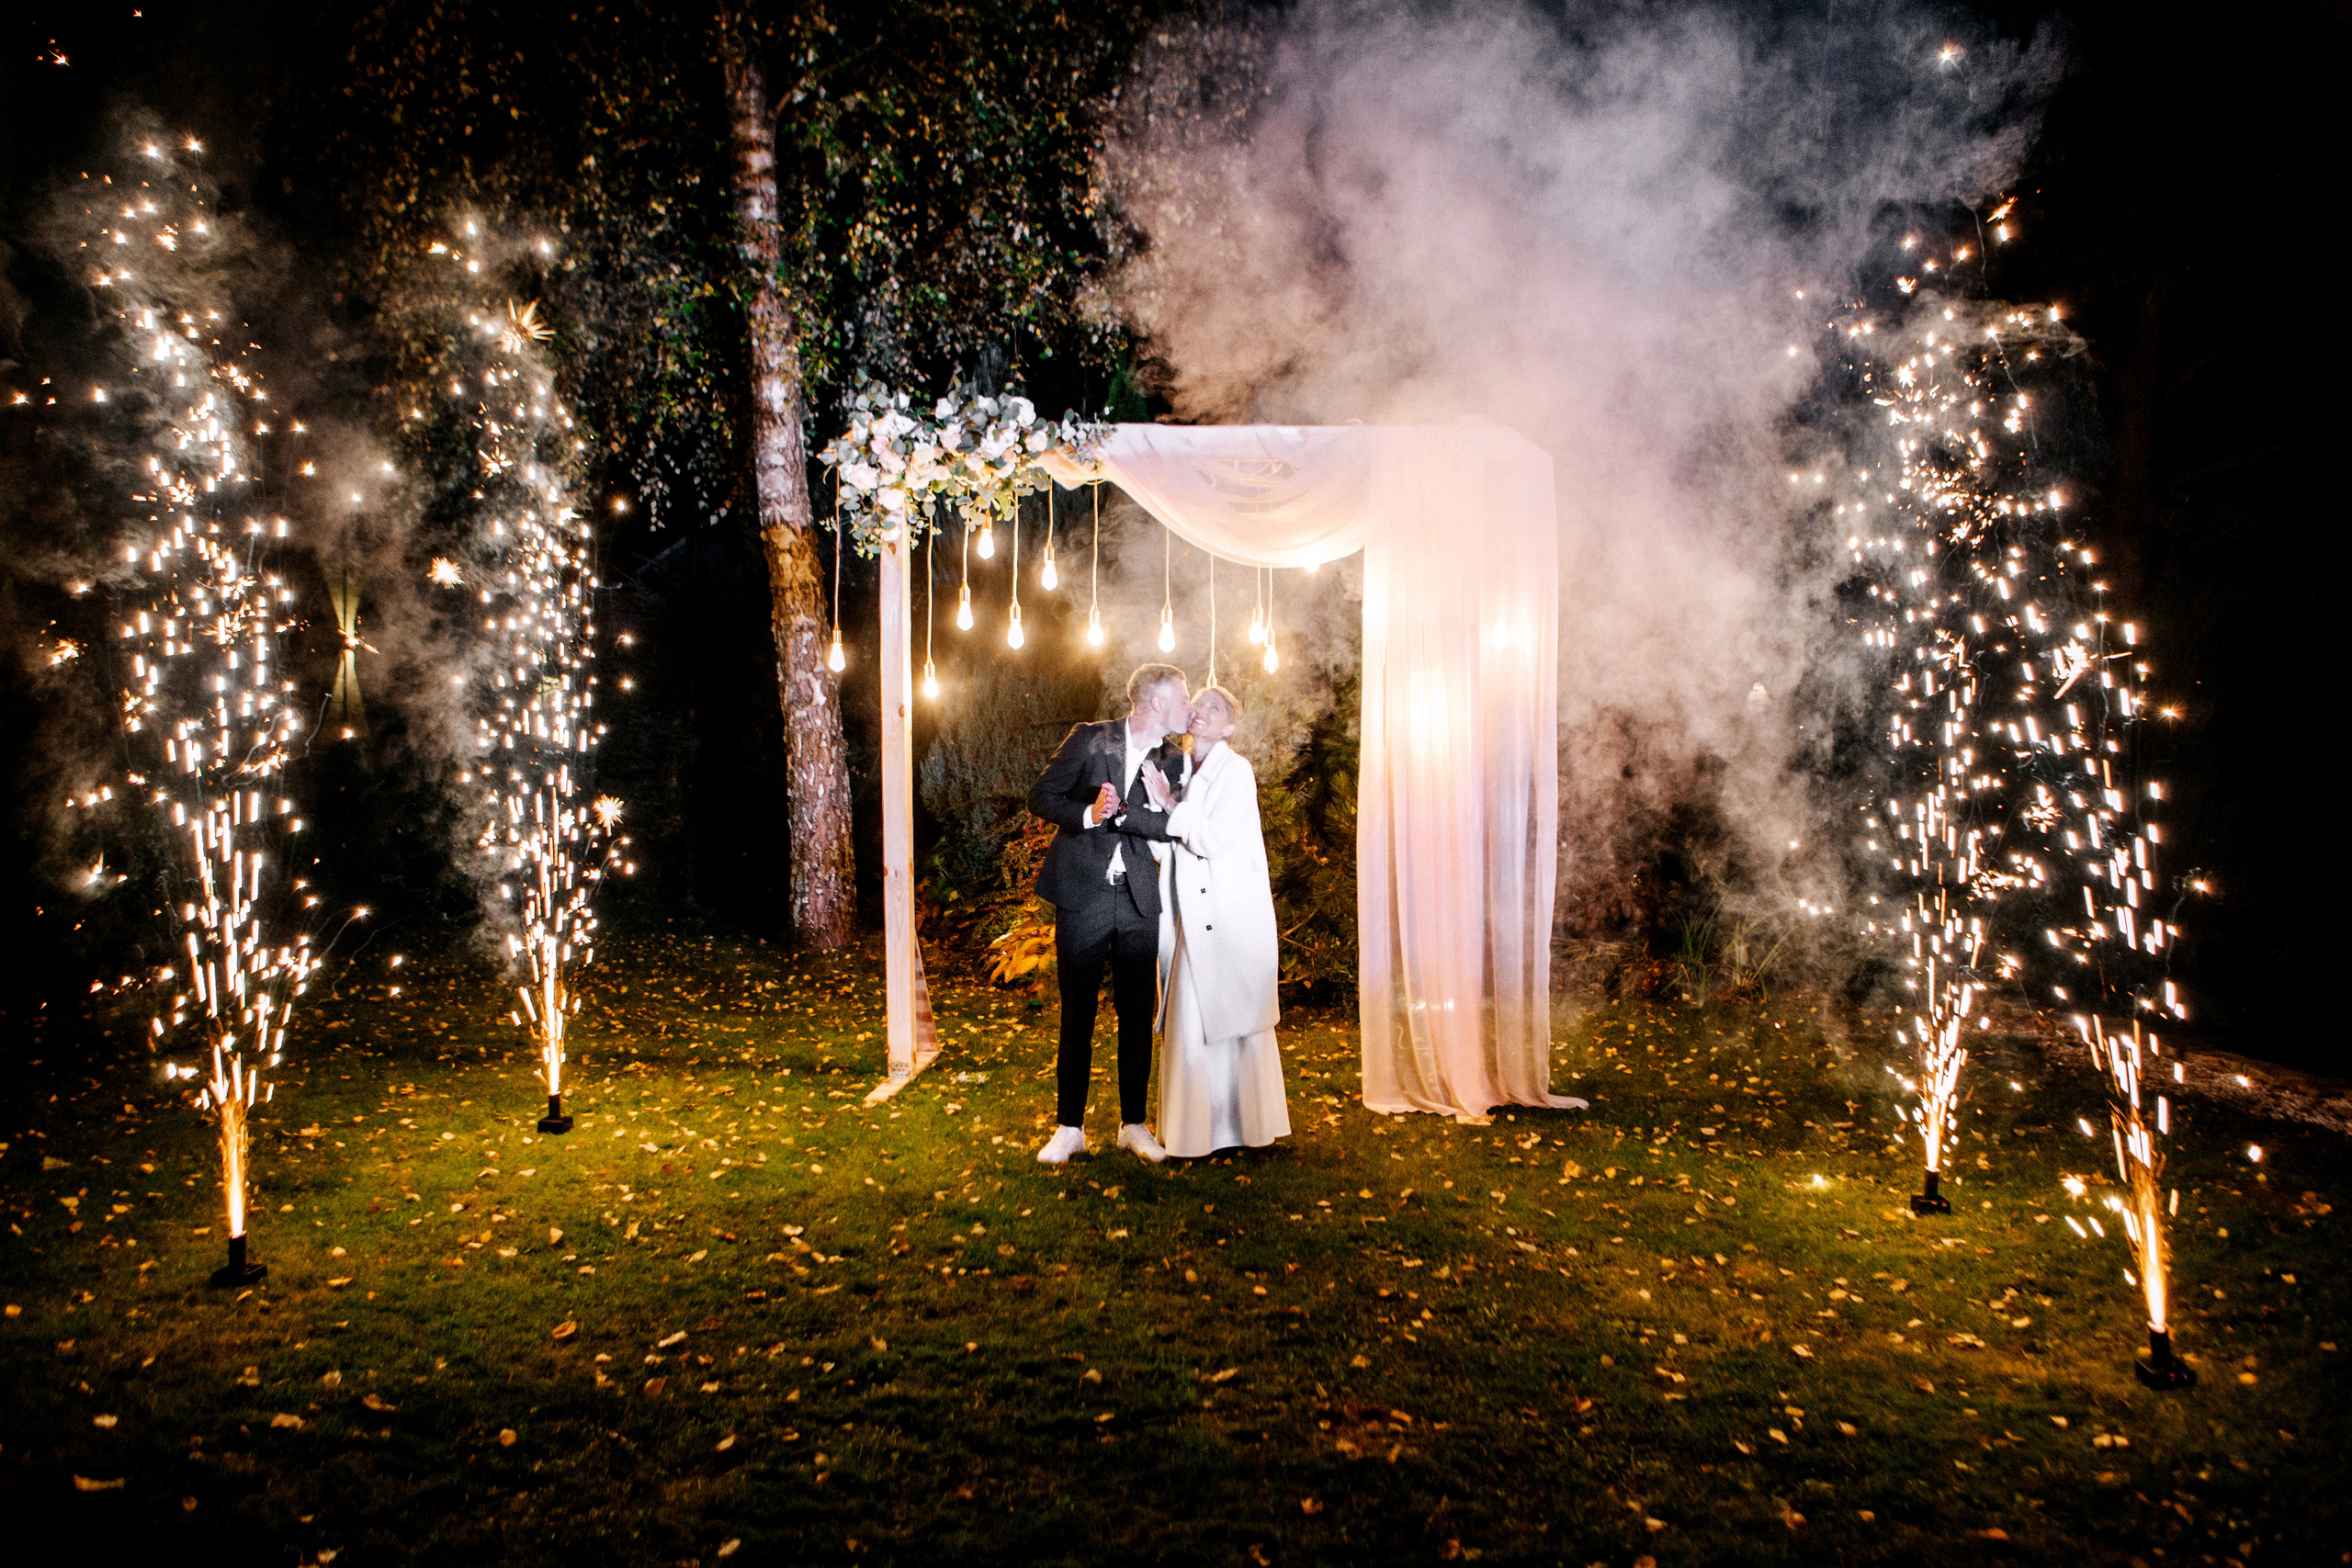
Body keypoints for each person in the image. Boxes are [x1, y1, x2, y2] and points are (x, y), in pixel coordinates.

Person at [1026, 664, 1193, 1164]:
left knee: (1137, 1013)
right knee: (1077, 1012)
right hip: (1083, 894)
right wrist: (1087, 814)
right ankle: (1069, 1129)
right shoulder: (1090, 739)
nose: (1188, 707)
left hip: (1138, 897)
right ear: (1156, 702)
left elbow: (1173, 828)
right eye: (1183, 698)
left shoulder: (1176, 761)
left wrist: (1125, 814)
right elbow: (1041, 797)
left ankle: (1134, 1126)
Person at [1139, 683, 1290, 1158]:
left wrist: (1168, 806)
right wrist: (1151, 813)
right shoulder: (1181, 770)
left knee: (1235, 1018)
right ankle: (1196, 1133)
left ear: (1228, 728)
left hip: (1229, 913)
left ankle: (1243, 1127)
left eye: (1215, 707)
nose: (1202, 709)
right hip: (1191, 916)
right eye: (1198, 703)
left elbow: (1213, 839)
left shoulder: (1236, 771)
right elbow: (1168, 845)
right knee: (1191, 1020)